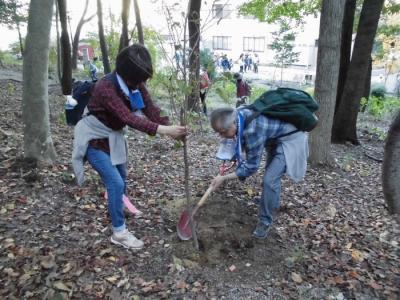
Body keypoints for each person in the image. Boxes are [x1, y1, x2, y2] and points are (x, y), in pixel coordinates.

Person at [72, 44, 186, 250]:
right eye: (138, 79)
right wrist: (163, 131)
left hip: (113, 138)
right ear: (128, 73)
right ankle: (119, 232)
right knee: (115, 183)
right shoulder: (106, 87)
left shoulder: (135, 85)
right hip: (93, 140)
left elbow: (150, 109)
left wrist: (171, 128)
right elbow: (128, 118)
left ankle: (117, 207)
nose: (141, 84)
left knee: (121, 178)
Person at [209, 107, 309, 239]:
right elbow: (235, 147)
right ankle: (271, 202)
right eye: (218, 133)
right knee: (270, 179)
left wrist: (225, 178)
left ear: (233, 123)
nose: (221, 136)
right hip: (274, 138)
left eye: (222, 132)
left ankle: (265, 221)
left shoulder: (252, 129)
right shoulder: (238, 116)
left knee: (270, 180)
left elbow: (251, 167)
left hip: (291, 139)